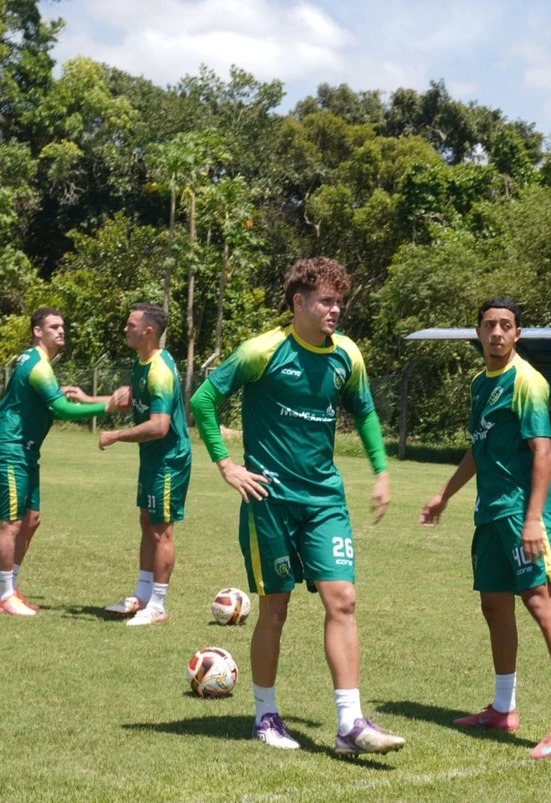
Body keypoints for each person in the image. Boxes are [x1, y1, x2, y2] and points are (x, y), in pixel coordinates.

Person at [189, 257, 405, 756]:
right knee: (275, 608)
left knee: (343, 599)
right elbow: (203, 400)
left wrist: (381, 471)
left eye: (339, 301)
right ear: (299, 302)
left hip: (325, 498)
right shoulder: (262, 350)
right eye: (326, 301)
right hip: (269, 500)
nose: (335, 310)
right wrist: (227, 466)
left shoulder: (347, 354)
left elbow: (364, 410)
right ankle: (265, 715)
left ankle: (350, 725)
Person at [419, 296, 551, 760]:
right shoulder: (480, 383)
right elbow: (480, 448)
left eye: (506, 325)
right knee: (494, 605)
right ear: (478, 331)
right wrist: (445, 495)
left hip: (522, 514)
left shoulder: (526, 381)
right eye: (489, 324)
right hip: (490, 512)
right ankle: (502, 708)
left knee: (540, 602)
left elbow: (542, 452)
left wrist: (533, 520)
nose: (497, 332)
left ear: (518, 333)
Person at [0, 307, 124, 616]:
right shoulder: (38, 365)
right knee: (11, 522)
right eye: (54, 326)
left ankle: (11, 589)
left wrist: (97, 400)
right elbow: (62, 410)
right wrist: (107, 407)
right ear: (37, 331)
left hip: (25, 452)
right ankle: (5, 597)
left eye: (63, 326)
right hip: (9, 450)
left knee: (31, 519)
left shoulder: (35, 362)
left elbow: (46, 403)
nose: (61, 331)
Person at [65, 303, 191, 627]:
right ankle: (142, 596)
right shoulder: (142, 362)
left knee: (161, 531)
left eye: (130, 324)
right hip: (152, 459)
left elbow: (159, 426)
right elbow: (131, 400)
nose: (125, 328)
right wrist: (89, 398)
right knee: (147, 522)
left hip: (169, 461)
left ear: (148, 331)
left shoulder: (160, 371)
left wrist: (116, 435)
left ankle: (158, 606)